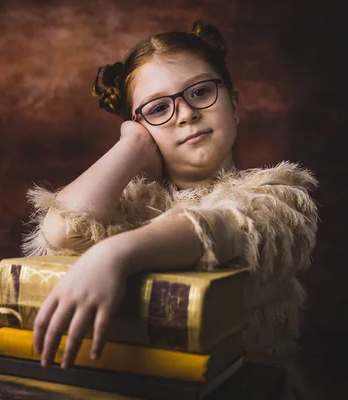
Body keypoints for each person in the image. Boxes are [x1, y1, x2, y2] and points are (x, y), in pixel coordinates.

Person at [21, 20, 318, 399]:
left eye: (200, 92)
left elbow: (219, 226)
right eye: (159, 107)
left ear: (235, 105)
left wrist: (114, 254)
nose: (185, 114)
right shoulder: (136, 206)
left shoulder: (280, 195)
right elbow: (63, 228)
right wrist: (133, 146)